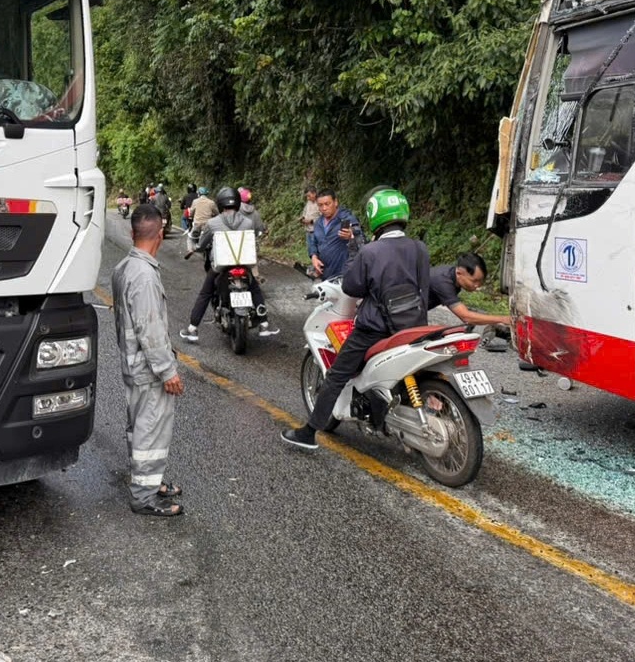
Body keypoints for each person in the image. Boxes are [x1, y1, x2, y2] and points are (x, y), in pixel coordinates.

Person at [282, 187, 429, 449]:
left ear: (375, 216)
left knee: (337, 374)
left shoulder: (370, 252)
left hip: (375, 328)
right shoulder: (420, 248)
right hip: (414, 326)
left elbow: (351, 288)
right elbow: (422, 288)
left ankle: (309, 433)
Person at [111, 204, 185, 517]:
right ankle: (144, 496)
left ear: (133, 233)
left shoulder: (124, 267)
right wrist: (168, 370)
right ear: (161, 235)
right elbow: (150, 329)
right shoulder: (144, 277)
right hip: (148, 369)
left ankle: (149, 482)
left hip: (133, 363)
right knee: (151, 431)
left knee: (140, 427)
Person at [179, 186, 279, 342]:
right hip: (244, 264)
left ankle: (193, 329)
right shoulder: (247, 222)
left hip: (221, 267)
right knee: (255, 290)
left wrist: (196, 248)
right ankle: (264, 324)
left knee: (205, 293)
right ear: (238, 203)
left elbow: (203, 244)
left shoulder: (213, 223)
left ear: (220, 204)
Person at [428, 252, 511, 327]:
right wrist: (503, 319)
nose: (477, 285)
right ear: (459, 273)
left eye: (480, 281)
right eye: (474, 281)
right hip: (415, 309)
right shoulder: (443, 281)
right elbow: (466, 317)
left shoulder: (452, 275)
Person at [308, 188, 364, 280]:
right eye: (320, 205)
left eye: (327, 204)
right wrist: (314, 257)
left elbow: (362, 241)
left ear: (335, 202)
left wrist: (351, 236)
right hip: (325, 274)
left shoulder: (347, 219)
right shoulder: (318, 223)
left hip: (344, 275)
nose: (324, 208)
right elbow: (313, 242)